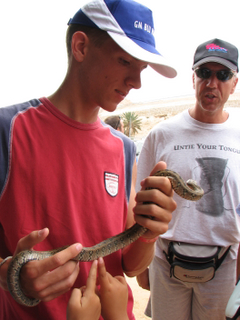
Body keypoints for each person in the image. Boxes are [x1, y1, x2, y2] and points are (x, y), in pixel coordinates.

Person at [0, 0, 177, 319]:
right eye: (126, 61)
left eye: (142, 70)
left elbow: (128, 265)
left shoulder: (124, 149)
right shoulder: (7, 131)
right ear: (80, 46)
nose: (136, 82)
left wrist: (149, 231)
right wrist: (11, 276)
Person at [136, 38, 240, 320]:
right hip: (165, 262)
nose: (212, 83)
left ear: (235, 82)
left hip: (225, 266)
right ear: (193, 78)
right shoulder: (162, 134)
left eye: (223, 75)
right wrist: (143, 263)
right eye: (205, 73)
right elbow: (140, 202)